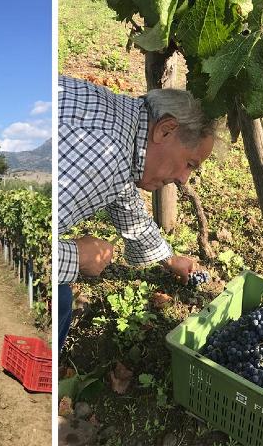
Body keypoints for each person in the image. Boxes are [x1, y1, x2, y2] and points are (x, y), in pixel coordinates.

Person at [57, 75, 219, 349]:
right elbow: (29, 247)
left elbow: (125, 201)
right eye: (189, 164)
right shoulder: (102, 157)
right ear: (165, 130)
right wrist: (78, 256)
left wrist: (168, 259)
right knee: (61, 297)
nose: (183, 179)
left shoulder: (122, 124)